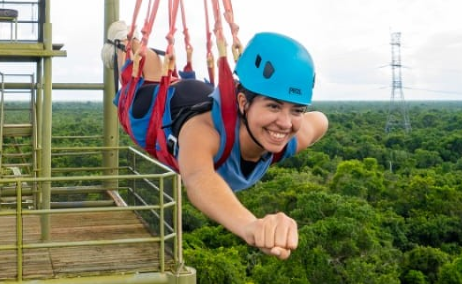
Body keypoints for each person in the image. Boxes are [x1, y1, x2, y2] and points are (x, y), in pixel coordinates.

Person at [103, 22, 329, 259]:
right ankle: (122, 43)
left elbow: (320, 121)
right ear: (243, 103)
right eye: (273, 106)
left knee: (155, 67)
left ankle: (131, 47)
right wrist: (250, 226)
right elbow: (199, 178)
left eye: (297, 110)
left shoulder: (288, 137)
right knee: (144, 68)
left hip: (200, 93)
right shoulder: (204, 133)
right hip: (155, 109)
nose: (285, 123)